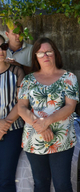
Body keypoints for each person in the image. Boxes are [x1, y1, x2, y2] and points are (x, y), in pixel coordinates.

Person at [18, 37, 79, 192]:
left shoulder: (69, 78)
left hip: (61, 138)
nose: (45, 55)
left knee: (62, 185)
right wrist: (41, 126)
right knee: (40, 184)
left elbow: (70, 106)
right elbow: (21, 108)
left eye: (48, 51)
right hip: (34, 138)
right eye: (40, 53)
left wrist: (47, 121)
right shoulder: (28, 80)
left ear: (55, 53)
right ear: (35, 57)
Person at [0, 34, 25, 192]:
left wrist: (4, 125)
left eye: (3, 47)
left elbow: (21, 102)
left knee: (5, 179)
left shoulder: (16, 71)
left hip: (13, 130)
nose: (1, 51)